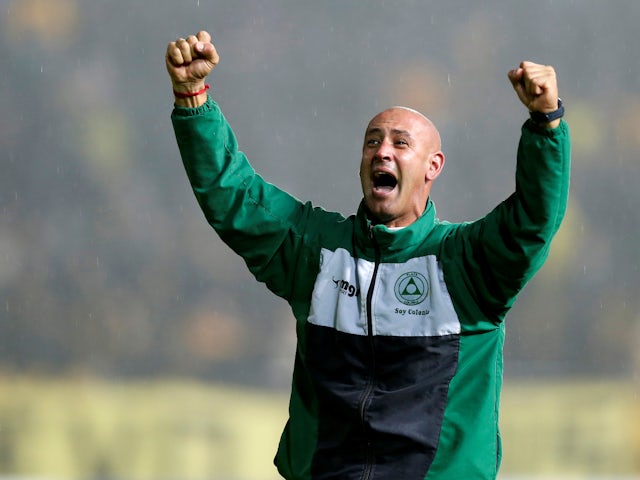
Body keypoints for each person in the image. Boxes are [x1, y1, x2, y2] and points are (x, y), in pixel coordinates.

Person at [165, 30, 570, 480]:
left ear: (432, 166)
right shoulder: (318, 251)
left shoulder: (464, 265)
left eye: (400, 142)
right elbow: (234, 196)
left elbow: (532, 221)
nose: (383, 150)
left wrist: (545, 124)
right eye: (373, 141)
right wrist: (192, 99)